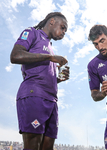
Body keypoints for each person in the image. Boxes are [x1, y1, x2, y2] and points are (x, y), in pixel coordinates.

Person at [10, 12, 69, 150]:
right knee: (32, 146)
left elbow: (43, 74)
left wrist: (57, 79)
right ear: (52, 21)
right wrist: (49, 58)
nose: (64, 32)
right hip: (34, 94)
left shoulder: (50, 48)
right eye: (63, 27)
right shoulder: (32, 33)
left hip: (52, 100)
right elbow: (15, 55)